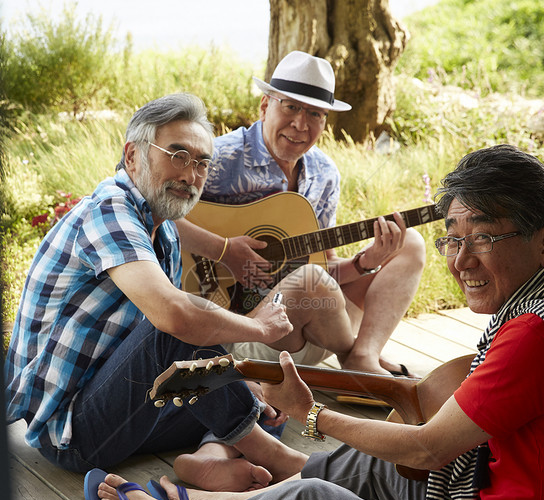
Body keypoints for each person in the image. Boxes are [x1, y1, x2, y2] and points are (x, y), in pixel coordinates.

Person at [85, 144, 544, 500]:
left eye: (481, 238)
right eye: (453, 239)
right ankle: (238, 498)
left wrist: (312, 416)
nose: (460, 261)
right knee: (381, 466)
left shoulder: (537, 332)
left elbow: (428, 447)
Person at [4, 93, 310, 493]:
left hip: (124, 405)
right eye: (178, 155)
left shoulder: (160, 226)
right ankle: (273, 457)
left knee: (266, 403)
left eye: (202, 163)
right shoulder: (108, 211)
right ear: (133, 156)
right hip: (72, 431)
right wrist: (257, 327)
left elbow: (186, 341)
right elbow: (175, 318)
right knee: (174, 327)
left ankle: (208, 460)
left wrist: (238, 381)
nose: (191, 174)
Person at [175, 51, 426, 376]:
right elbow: (151, 212)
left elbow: (325, 270)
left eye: (315, 114)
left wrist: (365, 262)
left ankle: (364, 354)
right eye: (290, 106)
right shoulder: (219, 158)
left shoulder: (324, 174)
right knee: (311, 281)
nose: (300, 124)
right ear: (265, 106)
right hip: (237, 331)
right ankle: (358, 361)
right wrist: (224, 251)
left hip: (308, 326)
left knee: (411, 242)